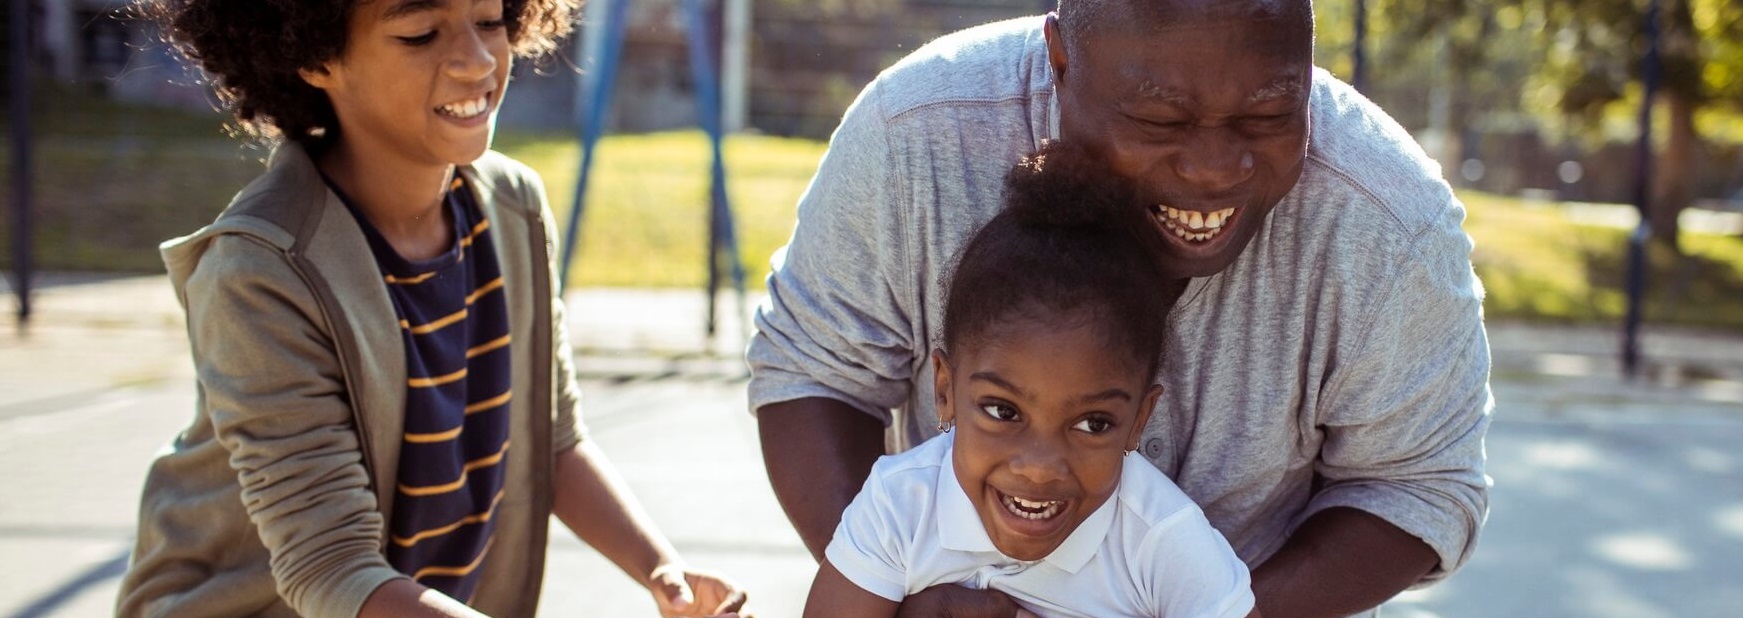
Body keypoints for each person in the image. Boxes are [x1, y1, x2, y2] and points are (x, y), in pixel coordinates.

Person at [747, 1, 1493, 616]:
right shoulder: (914, 133)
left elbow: (1418, 486)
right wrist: (899, 593)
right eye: (1160, 122)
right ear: (1061, 62)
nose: (1214, 168)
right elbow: (814, 370)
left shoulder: (1391, 221)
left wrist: (1211, 608)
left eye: (1266, 115)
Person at [115, 0, 750, 616]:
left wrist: (664, 572)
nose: (475, 60)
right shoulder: (259, 271)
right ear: (313, 55)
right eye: (421, 33)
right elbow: (332, 569)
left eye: (489, 20)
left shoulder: (513, 207)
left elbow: (552, 438)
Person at [805, 143, 1258, 618]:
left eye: (1094, 423)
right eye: (1003, 411)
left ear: (1139, 420)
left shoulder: (1160, 539)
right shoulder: (900, 506)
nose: (1040, 467)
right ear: (945, 391)